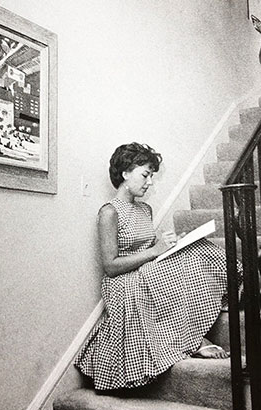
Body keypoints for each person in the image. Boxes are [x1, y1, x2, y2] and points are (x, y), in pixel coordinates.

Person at [75, 142, 238, 391]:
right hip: (123, 281)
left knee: (198, 249)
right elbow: (110, 266)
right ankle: (193, 340)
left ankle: (229, 296)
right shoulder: (109, 212)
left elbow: (150, 248)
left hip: (147, 270)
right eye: (145, 175)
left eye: (151, 176)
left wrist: (171, 244)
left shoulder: (145, 209)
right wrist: (154, 251)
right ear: (125, 173)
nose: (149, 182)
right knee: (182, 264)